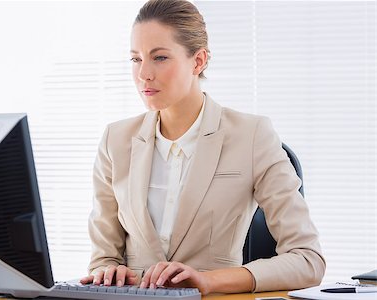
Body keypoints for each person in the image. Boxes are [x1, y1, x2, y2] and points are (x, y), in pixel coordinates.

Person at [80, 0, 325, 295]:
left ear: (198, 61)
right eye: (136, 59)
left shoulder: (251, 136)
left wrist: (209, 280)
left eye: (159, 58)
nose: (143, 73)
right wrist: (107, 272)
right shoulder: (115, 140)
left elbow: (308, 260)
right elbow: (102, 259)